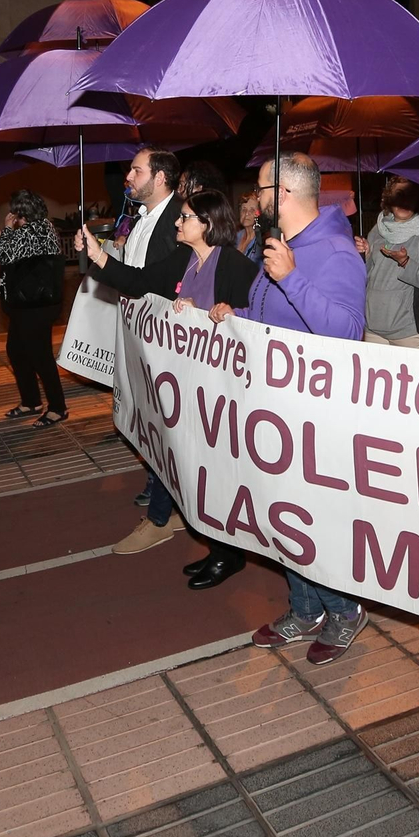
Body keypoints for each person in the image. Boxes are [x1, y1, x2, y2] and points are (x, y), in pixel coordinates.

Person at [219, 154, 369, 661]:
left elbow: (348, 331)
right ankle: (305, 610)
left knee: (310, 517)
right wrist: (234, 314)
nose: (254, 198)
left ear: (282, 194)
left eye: (261, 189)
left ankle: (344, 610)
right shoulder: (283, 245)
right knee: (277, 510)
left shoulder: (334, 251)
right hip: (274, 407)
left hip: (313, 414)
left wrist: (292, 278)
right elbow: (272, 317)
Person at [78, 149, 190, 546]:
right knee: (153, 425)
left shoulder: (179, 220)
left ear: (159, 178)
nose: (127, 176)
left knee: (164, 428)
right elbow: (131, 274)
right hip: (142, 341)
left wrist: (99, 257)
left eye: (136, 170)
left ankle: (160, 518)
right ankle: (173, 505)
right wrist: (102, 255)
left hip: (168, 347)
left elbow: (149, 283)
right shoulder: (143, 217)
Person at [169, 188, 259, 589]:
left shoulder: (234, 265)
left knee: (220, 473)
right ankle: (217, 546)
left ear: (207, 223)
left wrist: (226, 313)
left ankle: (229, 554)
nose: (178, 222)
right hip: (197, 385)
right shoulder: (190, 262)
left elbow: (252, 323)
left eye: (185, 216)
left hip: (224, 390)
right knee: (201, 470)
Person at [0, 191, 67, 425]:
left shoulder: (33, 230)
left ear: (20, 214)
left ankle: (58, 407)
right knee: (16, 350)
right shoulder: (44, 227)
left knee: (40, 355)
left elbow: (4, 255)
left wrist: (4, 231)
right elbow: (15, 254)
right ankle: (31, 401)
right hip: (26, 303)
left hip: (36, 305)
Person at [358, 175, 419, 350]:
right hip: (373, 326)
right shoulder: (379, 227)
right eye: (399, 194)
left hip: (409, 331)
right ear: (388, 198)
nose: (405, 200)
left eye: (411, 195)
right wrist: (365, 255)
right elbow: (369, 277)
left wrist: (406, 262)